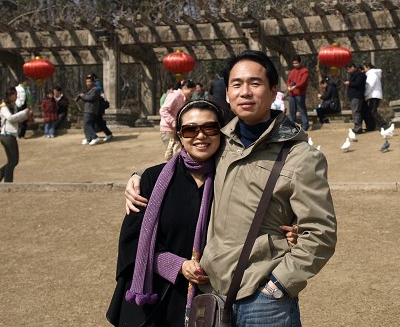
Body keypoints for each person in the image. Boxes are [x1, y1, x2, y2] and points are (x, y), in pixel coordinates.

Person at [126, 50, 337, 326]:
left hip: (264, 299)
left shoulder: (301, 157)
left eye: (255, 83)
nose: (245, 92)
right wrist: (139, 176)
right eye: (236, 84)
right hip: (211, 292)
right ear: (227, 93)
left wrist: (280, 284)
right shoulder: (221, 144)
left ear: (274, 91)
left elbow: (320, 232)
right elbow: (186, 160)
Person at [108, 99, 298, 327]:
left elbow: (261, 215)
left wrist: (291, 229)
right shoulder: (152, 179)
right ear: (179, 136)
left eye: (210, 128)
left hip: (212, 298)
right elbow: (131, 243)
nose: (200, 136)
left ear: (222, 133)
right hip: (155, 299)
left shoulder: (233, 179)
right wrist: (177, 266)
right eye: (190, 130)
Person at [0, 87, 31, 182]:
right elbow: (11, 118)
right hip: (7, 135)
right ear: (10, 95)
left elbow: (15, 120)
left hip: (11, 135)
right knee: (13, 161)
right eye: (15, 94)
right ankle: (7, 181)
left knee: (13, 161)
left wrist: (25, 116)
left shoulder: (12, 106)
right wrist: (23, 112)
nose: (16, 96)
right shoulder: (4, 107)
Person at [159, 79, 196, 160]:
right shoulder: (175, 96)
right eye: (191, 91)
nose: (192, 93)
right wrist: (174, 123)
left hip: (176, 129)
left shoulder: (183, 98)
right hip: (168, 129)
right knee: (171, 156)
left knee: (178, 154)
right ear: (185, 88)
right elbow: (163, 110)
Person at [287, 55, 310, 131]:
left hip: (300, 93)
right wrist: (288, 86)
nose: (295, 65)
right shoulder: (292, 71)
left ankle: (305, 125)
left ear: (300, 63)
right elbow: (288, 81)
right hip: (292, 93)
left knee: (302, 109)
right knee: (292, 111)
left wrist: (295, 86)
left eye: (296, 63)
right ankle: (292, 126)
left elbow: (303, 82)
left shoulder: (304, 71)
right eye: (294, 63)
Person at [344, 62, 366, 134]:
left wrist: (349, 83)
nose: (348, 71)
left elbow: (357, 83)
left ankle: (358, 127)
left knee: (356, 112)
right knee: (355, 111)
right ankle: (357, 126)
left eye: (348, 69)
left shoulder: (359, 74)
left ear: (353, 67)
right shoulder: (354, 75)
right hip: (354, 96)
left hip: (357, 96)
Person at [77, 74, 100, 146]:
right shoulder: (89, 90)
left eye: (89, 82)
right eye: (86, 82)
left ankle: (94, 137)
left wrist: (83, 96)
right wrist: (81, 97)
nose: (88, 83)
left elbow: (91, 98)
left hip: (91, 109)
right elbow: (87, 99)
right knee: (88, 124)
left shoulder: (95, 89)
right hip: (88, 109)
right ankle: (88, 138)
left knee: (87, 124)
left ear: (93, 82)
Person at [364, 62, 387, 131]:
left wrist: (365, 94)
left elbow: (370, 86)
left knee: (373, 111)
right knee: (371, 111)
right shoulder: (374, 74)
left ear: (368, 67)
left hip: (374, 95)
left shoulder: (372, 74)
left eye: (365, 68)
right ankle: (373, 126)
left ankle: (382, 123)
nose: (364, 70)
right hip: (374, 95)